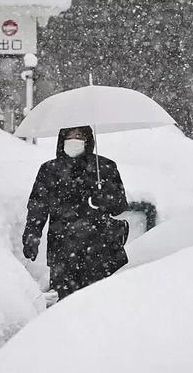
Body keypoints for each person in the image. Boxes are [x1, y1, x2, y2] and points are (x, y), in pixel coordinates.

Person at [22, 126, 129, 299]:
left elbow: (120, 206)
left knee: (103, 301)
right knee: (67, 305)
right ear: (61, 139)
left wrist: (105, 198)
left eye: (79, 135)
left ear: (88, 139)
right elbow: (37, 207)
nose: (74, 140)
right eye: (69, 135)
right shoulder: (49, 170)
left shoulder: (105, 167)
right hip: (63, 253)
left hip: (101, 251)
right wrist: (32, 236)